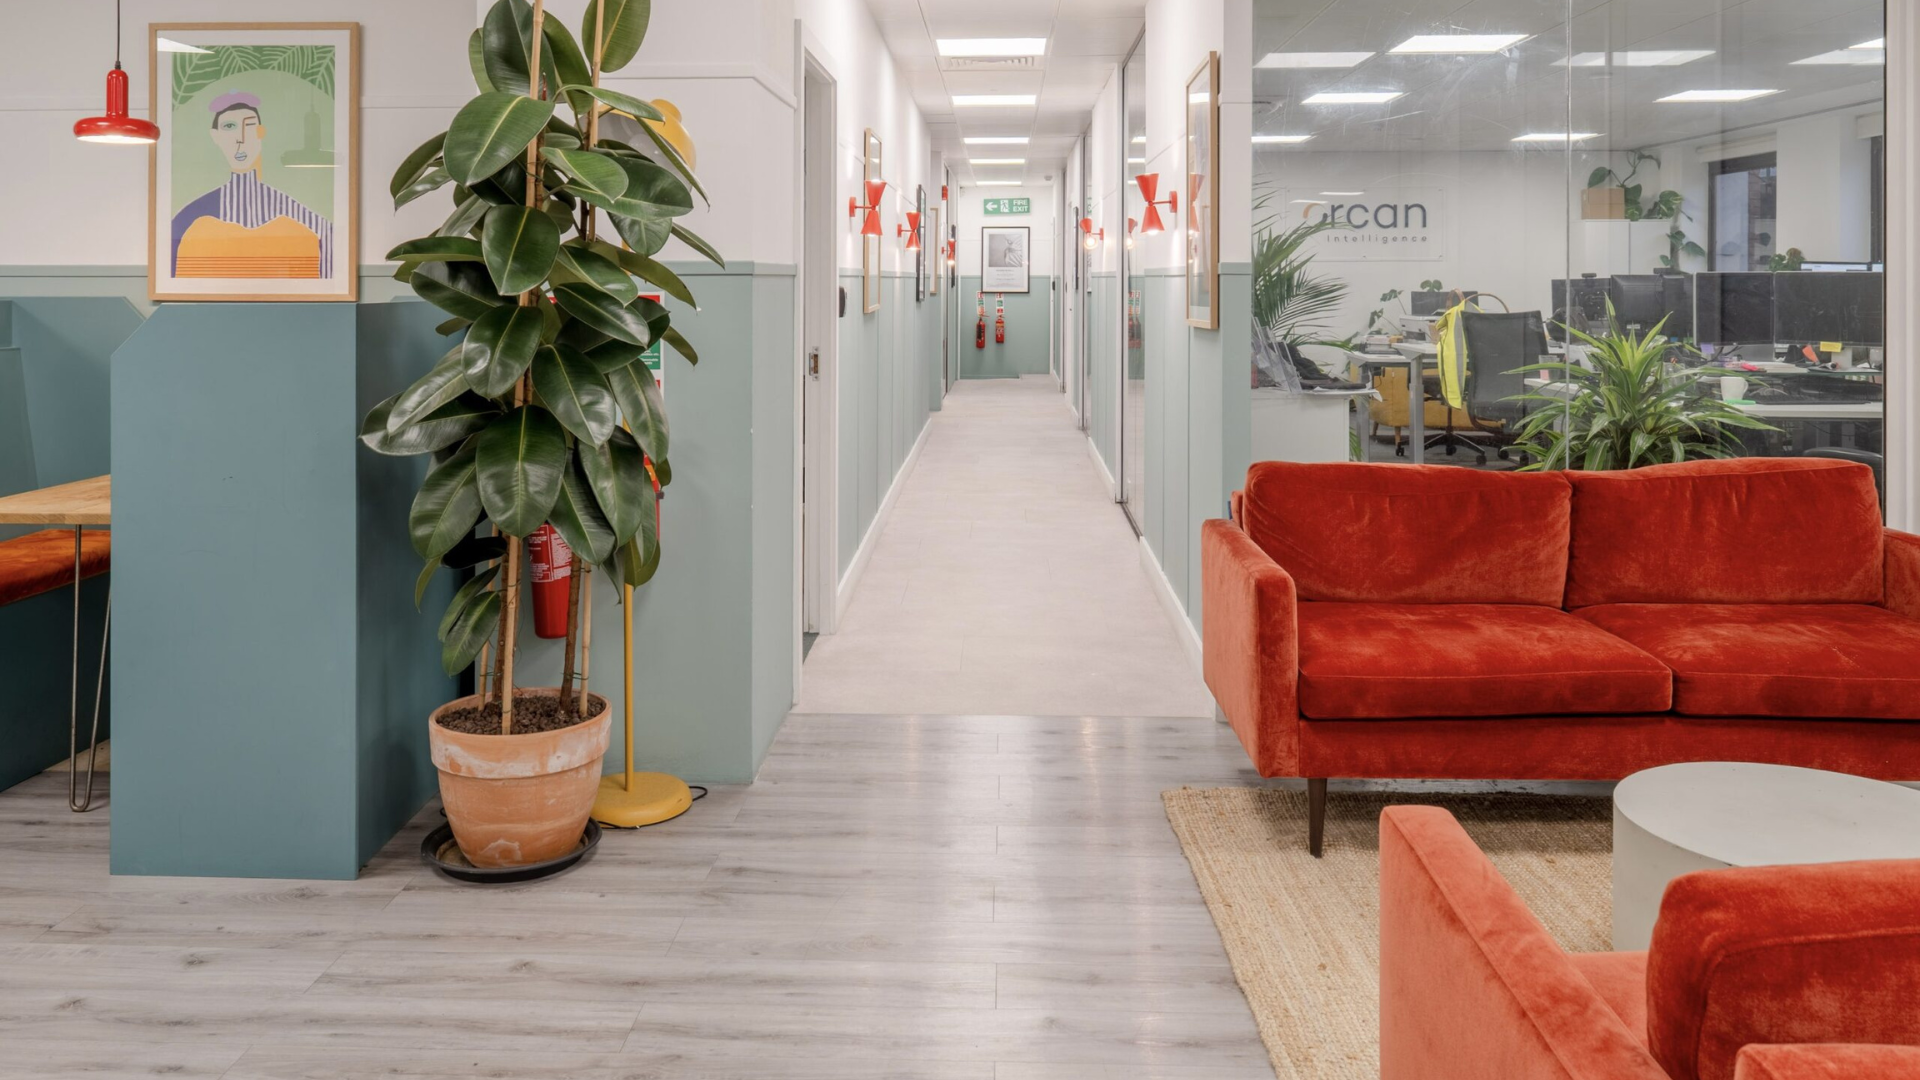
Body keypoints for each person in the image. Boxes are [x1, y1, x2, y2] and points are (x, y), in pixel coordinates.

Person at [170, 90, 333, 279]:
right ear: (215, 136)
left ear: (260, 132)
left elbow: (329, 243)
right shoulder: (189, 217)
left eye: (249, 126)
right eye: (229, 126)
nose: (241, 137)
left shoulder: (293, 211)